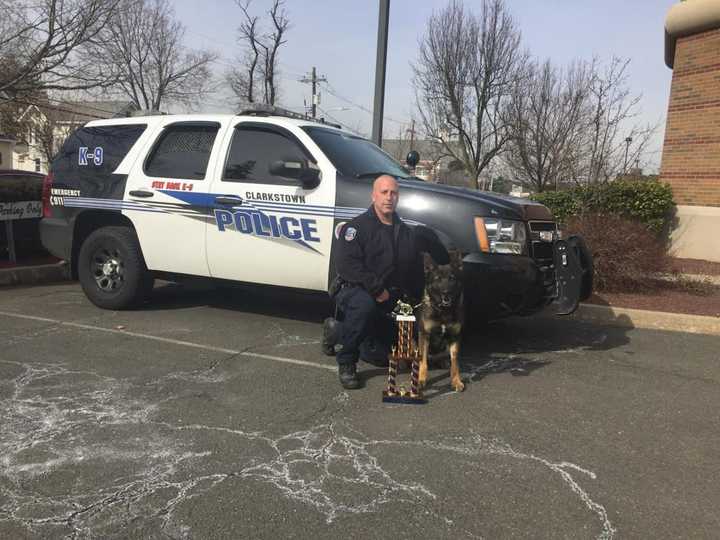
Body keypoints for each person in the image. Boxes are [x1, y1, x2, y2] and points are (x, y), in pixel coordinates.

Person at [325, 174, 449, 389]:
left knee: (382, 354)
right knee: (365, 307)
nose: (389, 197)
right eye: (384, 192)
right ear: (374, 196)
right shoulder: (356, 228)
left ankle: (336, 330)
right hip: (356, 290)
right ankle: (347, 362)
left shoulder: (406, 233)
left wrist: (418, 301)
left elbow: (412, 270)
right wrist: (376, 289)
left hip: (389, 296)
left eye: (393, 193)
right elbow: (347, 266)